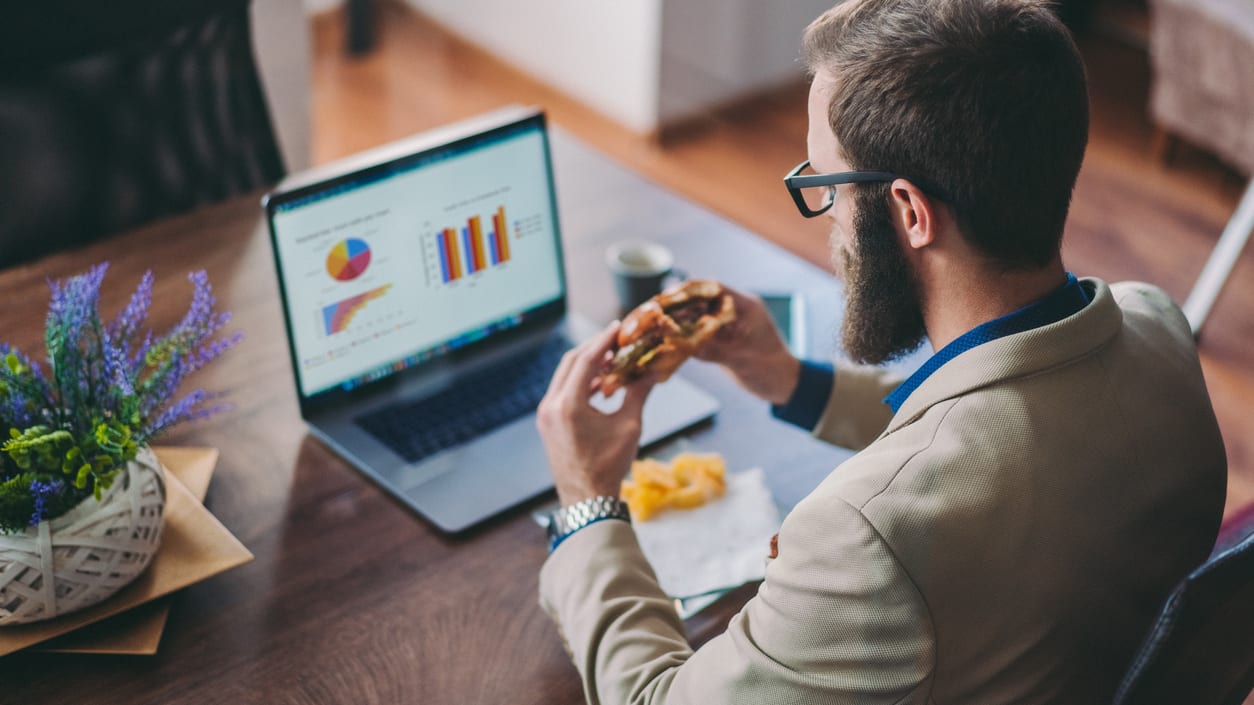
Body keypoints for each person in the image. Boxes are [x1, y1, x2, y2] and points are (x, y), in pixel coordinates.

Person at [534, 0, 1228, 703]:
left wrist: (588, 504)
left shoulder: (863, 535)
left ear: (909, 212)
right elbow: (987, 441)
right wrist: (790, 380)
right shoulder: (1158, 327)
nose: (829, 220)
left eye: (823, 185)